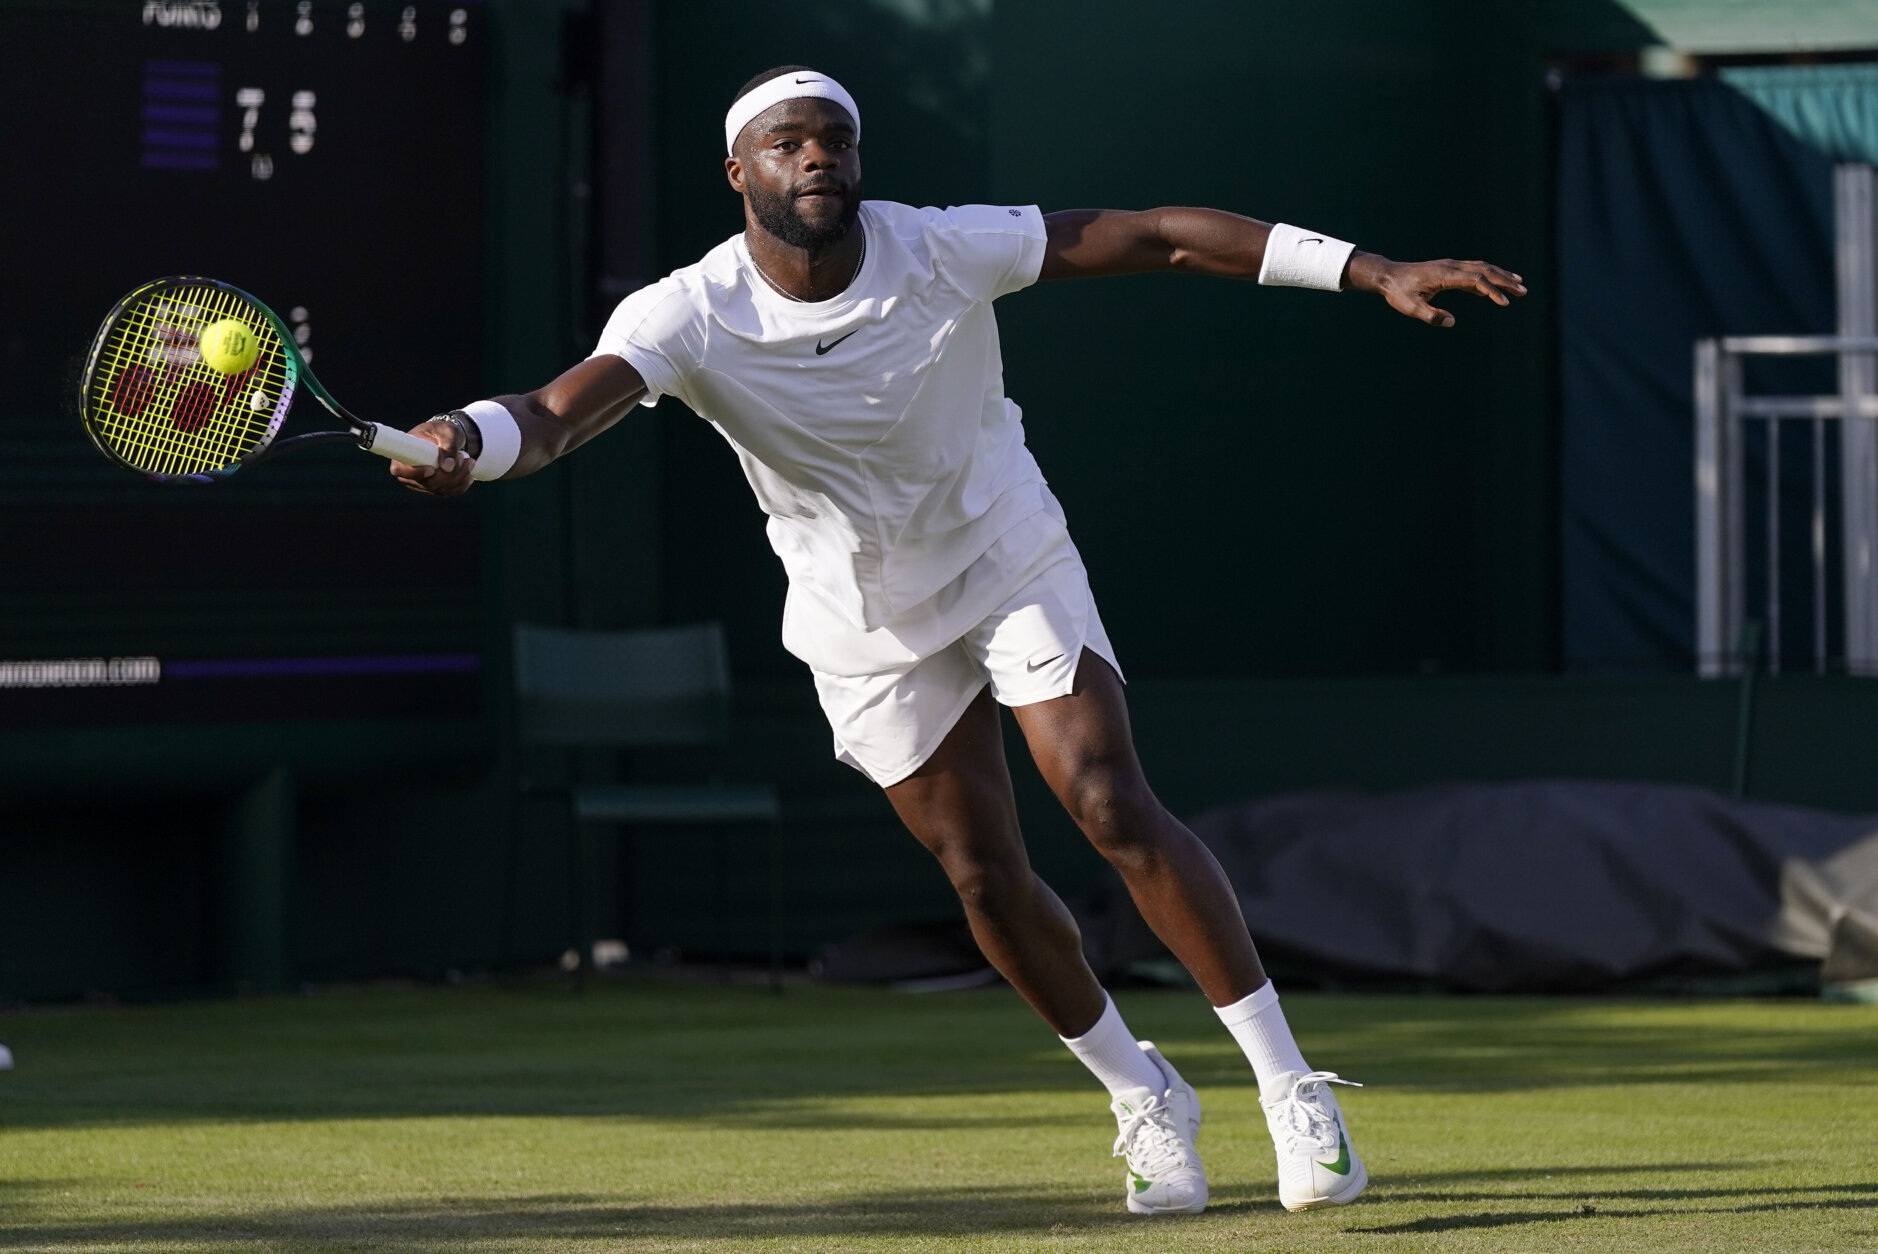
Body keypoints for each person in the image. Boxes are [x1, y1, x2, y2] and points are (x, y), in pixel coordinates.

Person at [394, 66, 1524, 1215]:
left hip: (1003, 549)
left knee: (1106, 798)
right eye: (788, 144)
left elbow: (1159, 238)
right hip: (854, 609)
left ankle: (1293, 1092)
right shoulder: (683, 314)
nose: (818, 158)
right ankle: (1143, 1096)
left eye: (835, 140)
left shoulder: (940, 248)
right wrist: (465, 442)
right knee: (984, 875)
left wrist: (1370, 266)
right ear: (740, 173)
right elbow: (551, 415)